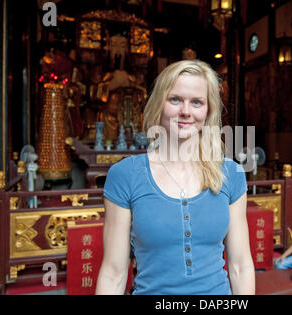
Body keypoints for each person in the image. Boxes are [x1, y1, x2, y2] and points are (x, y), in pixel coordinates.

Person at [96, 60, 255, 295]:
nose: (186, 111)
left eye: (197, 102)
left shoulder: (230, 174)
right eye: (175, 99)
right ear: (159, 103)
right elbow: (113, 273)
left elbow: (240, 265)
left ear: (208, 111)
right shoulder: (126, 175)